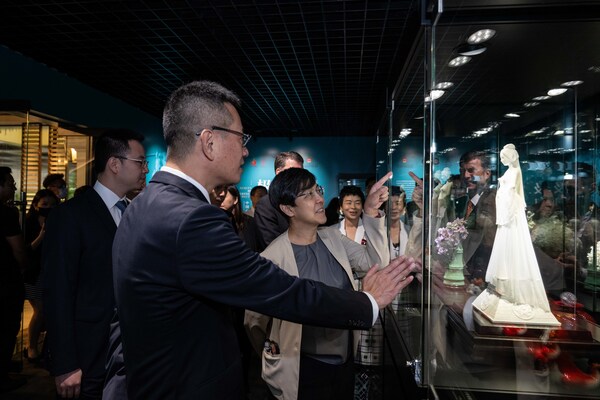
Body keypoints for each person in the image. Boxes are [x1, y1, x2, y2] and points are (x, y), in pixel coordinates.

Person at [112, 80, 416, 400]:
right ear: (209, 141)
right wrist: (365, 301)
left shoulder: (143, 205)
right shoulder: (192, 219)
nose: (245, 150)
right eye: (241, 138)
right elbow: (278, 290)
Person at [245, 169, 395, 400]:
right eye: (308, 195)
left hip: (345, 361)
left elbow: (374, 263)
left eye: (318, 190)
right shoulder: (273, 258)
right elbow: (254, 321)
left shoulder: (333, 238)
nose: (319, 199)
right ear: (288, 209)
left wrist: (371, 212)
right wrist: (276, 355)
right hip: (304, 370)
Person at [43, 130, 148, 399]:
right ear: (115, 164)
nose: (145, 169)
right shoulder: (70, 216)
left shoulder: (135, 213)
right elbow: (58, 293)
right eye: (140, 162)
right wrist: (65, 364)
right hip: (88, 356)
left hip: (131, 353)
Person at [472, 144, 557, 325]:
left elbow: (514, 196)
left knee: (513, 249)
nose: (502, 160)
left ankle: (513, 290)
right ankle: (501, 286)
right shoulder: (510, 173)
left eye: (504, 156)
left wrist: (507, 213)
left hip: (510, 216)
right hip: (504, 216)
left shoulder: (515, 173)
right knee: (504, 250)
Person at [23, 189, 60, 362]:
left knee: (48, 310)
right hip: (33, 273)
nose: (48, 208)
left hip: (51, 271)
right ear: (36, 204)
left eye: (52, 204)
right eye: (44, 204)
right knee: (40, 310)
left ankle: (42, 347)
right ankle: (31, 347)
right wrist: (42, 235)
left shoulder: (59, 220)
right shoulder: (28, 222)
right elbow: (26, 250)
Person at [0, 167, 27, 392]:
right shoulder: (6, 214)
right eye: (10, 184)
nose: (14, 187)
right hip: (5, 281)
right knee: (7, 328)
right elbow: (18, 250)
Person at [254, 151, 304, 251]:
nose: (298, 177)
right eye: (293, 172)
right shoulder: (266, 205)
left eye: (301, 172)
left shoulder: (301, 201)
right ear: (279, 173)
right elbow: (272, 246)